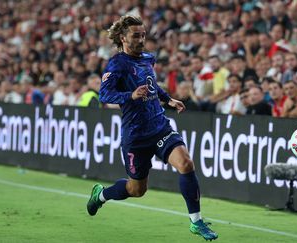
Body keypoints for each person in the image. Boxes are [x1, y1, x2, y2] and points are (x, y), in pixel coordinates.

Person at [86, 16, 218, 241]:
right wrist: (130, 95)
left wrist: (168, 99)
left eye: (143, 35)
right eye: (135, 36)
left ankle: (196, 222)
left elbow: (151, 84)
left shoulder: (148, 58)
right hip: (135, 135)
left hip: (159, 126)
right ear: (123, 38)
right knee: (137, 190)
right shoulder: (117, 64)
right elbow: (105, 94)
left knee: (186, 163)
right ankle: (102, 195)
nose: (141, 40)